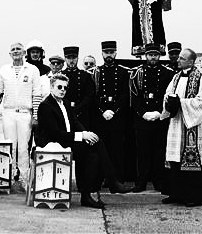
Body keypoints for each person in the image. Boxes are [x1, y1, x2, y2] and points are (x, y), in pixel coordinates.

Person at [36, 73, 132, 209]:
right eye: (59, 87)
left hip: (66, 141)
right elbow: (56, 134)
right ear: (51, 88)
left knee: (94, 149)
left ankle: (90, 194)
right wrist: (81, 136)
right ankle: (109, 183)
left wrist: (86, 134)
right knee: (92, 152)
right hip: (53, 144)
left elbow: (75, 122)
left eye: (65, 87)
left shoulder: (65, 103)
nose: (63, 90)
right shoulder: (45, 106)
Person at [161, 48, 202, 206]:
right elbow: (168, 93)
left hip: (193, 124)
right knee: (176, 157)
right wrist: (170, 102)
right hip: (177, 123)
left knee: (191, 159)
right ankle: (176, 193)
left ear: (191, 61)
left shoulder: (201, 79)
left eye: (182, 58)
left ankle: (195, 196)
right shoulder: (176, 77)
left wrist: (181, 103)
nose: (178, 60)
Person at [0, 42, 42, 191]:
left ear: (24, 53)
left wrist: (35, 116)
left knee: (23, 148)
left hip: (25, 113)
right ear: (10, 54)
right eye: (13, 50)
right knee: (9, 147)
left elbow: (37, 94)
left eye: (18, 49)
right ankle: (8, 177)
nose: (16, 51)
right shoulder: (4, 70)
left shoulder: (33, 70)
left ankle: (24, 179)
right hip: (8, 112)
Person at [130, 43, 174, 192]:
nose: (153, 57)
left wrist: (160, 112)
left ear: (159, 56)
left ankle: (158, 181)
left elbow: (169, 96)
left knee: (159, 152)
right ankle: (141, 182)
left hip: (160, 119)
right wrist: (143, 113)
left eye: (155, 55)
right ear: (145, 56)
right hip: (142, 120)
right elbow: (134, 96)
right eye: (150, 55)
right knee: (142, 153)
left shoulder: (168, 73)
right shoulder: (137, 73)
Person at [92, 41, 129, 182]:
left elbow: (125, 95)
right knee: (102, 149)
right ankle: (102, 178)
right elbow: (93, 95)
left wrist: (113, 110)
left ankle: (118, 179)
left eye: (111, 52)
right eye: (106, 52)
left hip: (117, 116)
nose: (109, 55)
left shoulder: (123, 72)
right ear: (102, 53)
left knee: (117, 149)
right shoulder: (96, 72)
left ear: (115, 53)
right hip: (101, 116)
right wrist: (102, 110)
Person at [62, 46, 95, 128]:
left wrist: (78, 109)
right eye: (69, 58)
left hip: (82, 114)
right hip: (64, 113)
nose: (71, 60)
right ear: (65, 59)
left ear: (77, 58)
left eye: (74, 58)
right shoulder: (60, 76)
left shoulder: (85, 76)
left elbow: (89, 95)